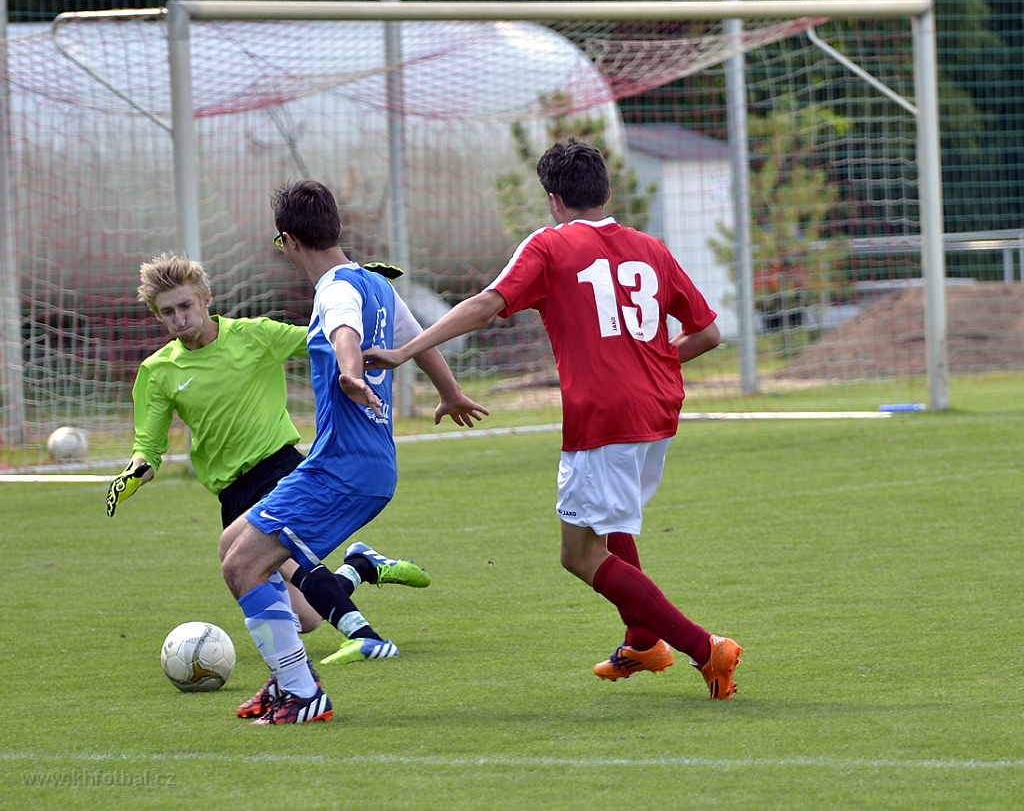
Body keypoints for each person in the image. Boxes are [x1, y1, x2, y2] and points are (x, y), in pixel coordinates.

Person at [365, 138, 743, 700]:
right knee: (611, 517)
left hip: (604, 415)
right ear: (607, 192)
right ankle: (643, 640)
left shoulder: (550, 244)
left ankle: (703, 648)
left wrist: (404, 352)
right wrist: (652, 365)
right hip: (659, 409)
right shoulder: (651, 248)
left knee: (579, 554)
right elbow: (708, 333)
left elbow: (485, 305)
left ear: (553, 199)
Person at [104, 253, 440, 702]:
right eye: (168, 312)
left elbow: (325, 337)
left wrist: (363, 295)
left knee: (283, 562)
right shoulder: (158, 372)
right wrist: (135, 473)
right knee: (305, 619)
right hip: (231, 491)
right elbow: (149, 447)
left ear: (205, 299)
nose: (179, 318)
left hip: (280, 468)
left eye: (185, 306)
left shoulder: (254, 335)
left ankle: (364, 635)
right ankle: (361, 566)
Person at [219, 179, 488, 724]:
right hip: (357, 465)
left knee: (242, 565)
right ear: (337, 228)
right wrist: (450, 391)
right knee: (233, 543)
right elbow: (417, 338)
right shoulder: (376, 284)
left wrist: (349, 373)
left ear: (289, 241)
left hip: (343, 469)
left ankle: (302, 692)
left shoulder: (335, 288)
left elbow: (344, 331)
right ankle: (288, 678)